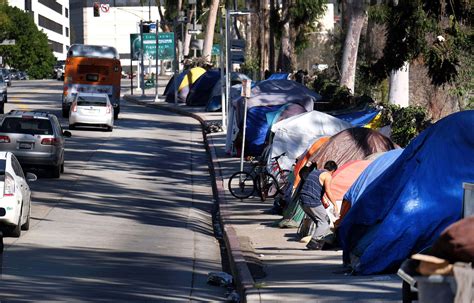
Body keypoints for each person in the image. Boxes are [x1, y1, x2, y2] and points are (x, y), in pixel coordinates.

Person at [298, 160, 338, 250]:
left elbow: (315, 187)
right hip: (311, 200)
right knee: (325, 221)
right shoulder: (327, 175)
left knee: (318, 221)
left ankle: (320, 242)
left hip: (302, 200)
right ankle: (313, 242)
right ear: (333, 170)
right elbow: (328, 191)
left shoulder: (315, 172)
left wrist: (323, 200)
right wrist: (335, 205)